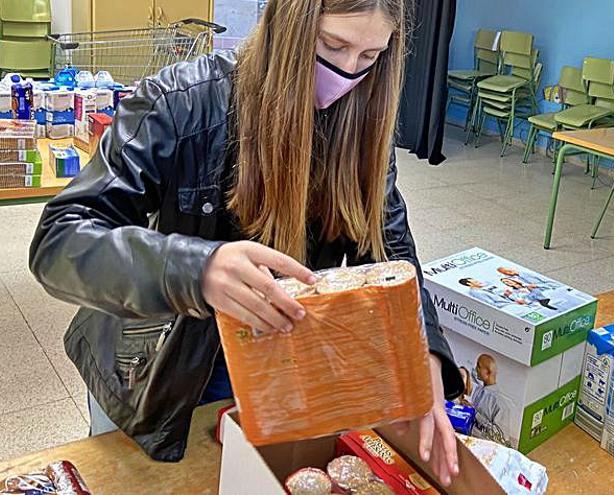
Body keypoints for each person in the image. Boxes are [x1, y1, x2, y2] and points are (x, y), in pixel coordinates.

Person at [28, 0, 463, 484]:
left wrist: (422, 358)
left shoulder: (361, 122)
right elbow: (59, 239)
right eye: (332, 46)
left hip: (271, 367)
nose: (346, 73)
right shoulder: (180, 102)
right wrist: (196, 269)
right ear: (287, 27)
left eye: (369, 57)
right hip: (155, 372)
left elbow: (391, 250)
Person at [470, 354, 513, 447]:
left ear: (488, 372)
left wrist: (476, 414)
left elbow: (500, 438)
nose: (476, 369)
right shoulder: (479, 391)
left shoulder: (500, 404)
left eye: (479, 366)